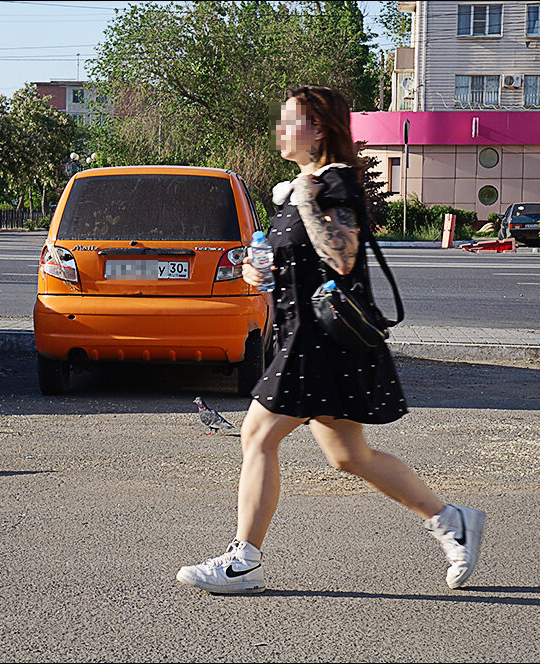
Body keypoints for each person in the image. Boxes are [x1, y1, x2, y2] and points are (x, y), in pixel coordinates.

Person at [176, 86, 486, 595]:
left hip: (318, 342)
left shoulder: (332, 182)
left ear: (318, 128)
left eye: (289, 121)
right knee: (349, 456)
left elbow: (341, 257)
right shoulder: (306, 186)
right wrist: (263, 273)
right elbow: (299, 261)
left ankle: (243, 560)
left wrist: (306, 198)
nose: (279, 131)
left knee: (257, 436)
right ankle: (453, 522)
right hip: (307, 338)